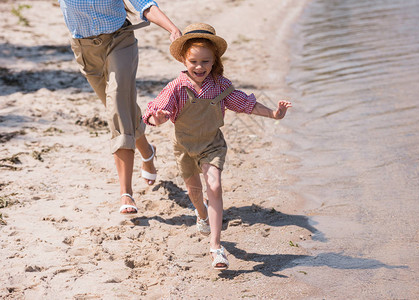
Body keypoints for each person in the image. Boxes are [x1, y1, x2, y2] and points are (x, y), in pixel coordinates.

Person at [142, 23, 292, 270]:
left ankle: (215, 246)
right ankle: (200, 213)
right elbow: (158, 112)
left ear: (214, 61)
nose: (199, 67)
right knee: (195, 192)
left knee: (215, 185)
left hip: (212, 145)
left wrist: (275, 114)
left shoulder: (221, 86)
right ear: (183, 59)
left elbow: (246, 104)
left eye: (205, 61)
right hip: (184, 146)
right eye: (193, 61)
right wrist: (157, 118)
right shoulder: (176, 87)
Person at [57, 1, 182, 214]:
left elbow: (143, 4)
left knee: (117, 103)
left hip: (120, 41)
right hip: (85, 51)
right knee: (121, 108)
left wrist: (173, 29)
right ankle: (147, 152)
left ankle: (126, 192)